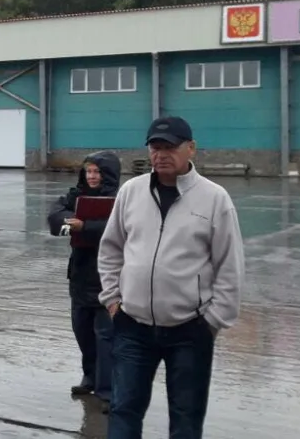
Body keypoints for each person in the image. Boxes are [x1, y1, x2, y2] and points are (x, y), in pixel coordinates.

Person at [97, 116, 245, 439]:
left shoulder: (214, 198)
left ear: (190, 149)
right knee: (123, 411)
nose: (161, 154)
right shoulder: (131, 192)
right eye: (155, 147)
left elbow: (230, 267)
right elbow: (110, 249)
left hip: (189, 331)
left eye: (170, 147)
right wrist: (112, 302)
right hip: (132, 328)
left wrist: (213, 322)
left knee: (186, 419)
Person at [46, 151, 121, 412]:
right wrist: (68, 222)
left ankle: (107, 389)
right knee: (82, 332)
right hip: (80, 275)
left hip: (108, 278)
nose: (91, 176)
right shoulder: (75, 196)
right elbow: (55, 215)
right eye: (88, 171)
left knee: (106, 336)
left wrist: (85, 227)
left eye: (97, 172)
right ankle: (90, 377)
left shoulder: (121, 199)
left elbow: (121, 227)